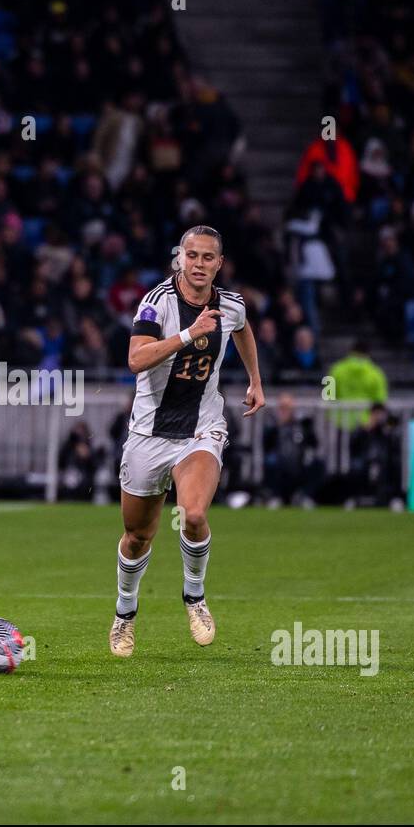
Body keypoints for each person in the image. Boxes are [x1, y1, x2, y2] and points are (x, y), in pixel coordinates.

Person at [110, 224, 266, 657]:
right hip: (149, 432)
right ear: (180, 258)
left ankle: (194, 597)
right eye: (191, 256)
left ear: (219, 263)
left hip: (202, 426)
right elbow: (135, 359)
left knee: (194, 513)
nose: (198, 264)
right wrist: (187, 335)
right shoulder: (156, 303)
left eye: (207, 258)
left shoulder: (230, 305)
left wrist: (255, 380)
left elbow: (243, 329)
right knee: (137, 535)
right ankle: (125, 612)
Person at [327, 339, 388, 429]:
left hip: (339, 423)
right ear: (368, 354)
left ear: (351, 351)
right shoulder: (377, 373)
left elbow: (326, 397)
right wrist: (370, 424)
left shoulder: (335, 369)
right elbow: (380, 402)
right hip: (365, 423)